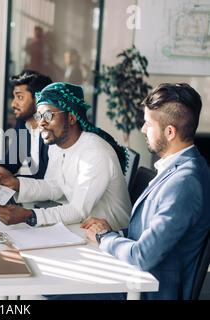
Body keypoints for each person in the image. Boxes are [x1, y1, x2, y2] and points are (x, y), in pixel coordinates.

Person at [82, 83, 210, 300]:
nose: (142, 129)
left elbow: (143, 256)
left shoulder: (185, 181)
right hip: (136, 279)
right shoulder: (178, 168)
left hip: (148, 290)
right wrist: (114, 231)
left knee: (51, 292)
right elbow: (151, 234)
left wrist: (104, 236)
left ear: (170, 132)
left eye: (148, 124)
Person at [0, 82, 131, 232]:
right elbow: (55, 186)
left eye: (48, 116)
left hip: (111, 235)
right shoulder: (57, 146)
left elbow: (78, 210)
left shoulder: (95, 152)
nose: (41, 123)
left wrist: (29, 216)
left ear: (71, 118)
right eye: (39, 117)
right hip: (82, 228)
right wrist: (15, 183)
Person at [0, 70, 52, 179]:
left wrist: (16, 182)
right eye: (14, 97)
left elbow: (49, 181)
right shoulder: (23, 122)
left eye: (20, 97)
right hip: (37, 192)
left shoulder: (54, 128)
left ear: (38, 100)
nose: (13, 104)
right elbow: (11, 163)